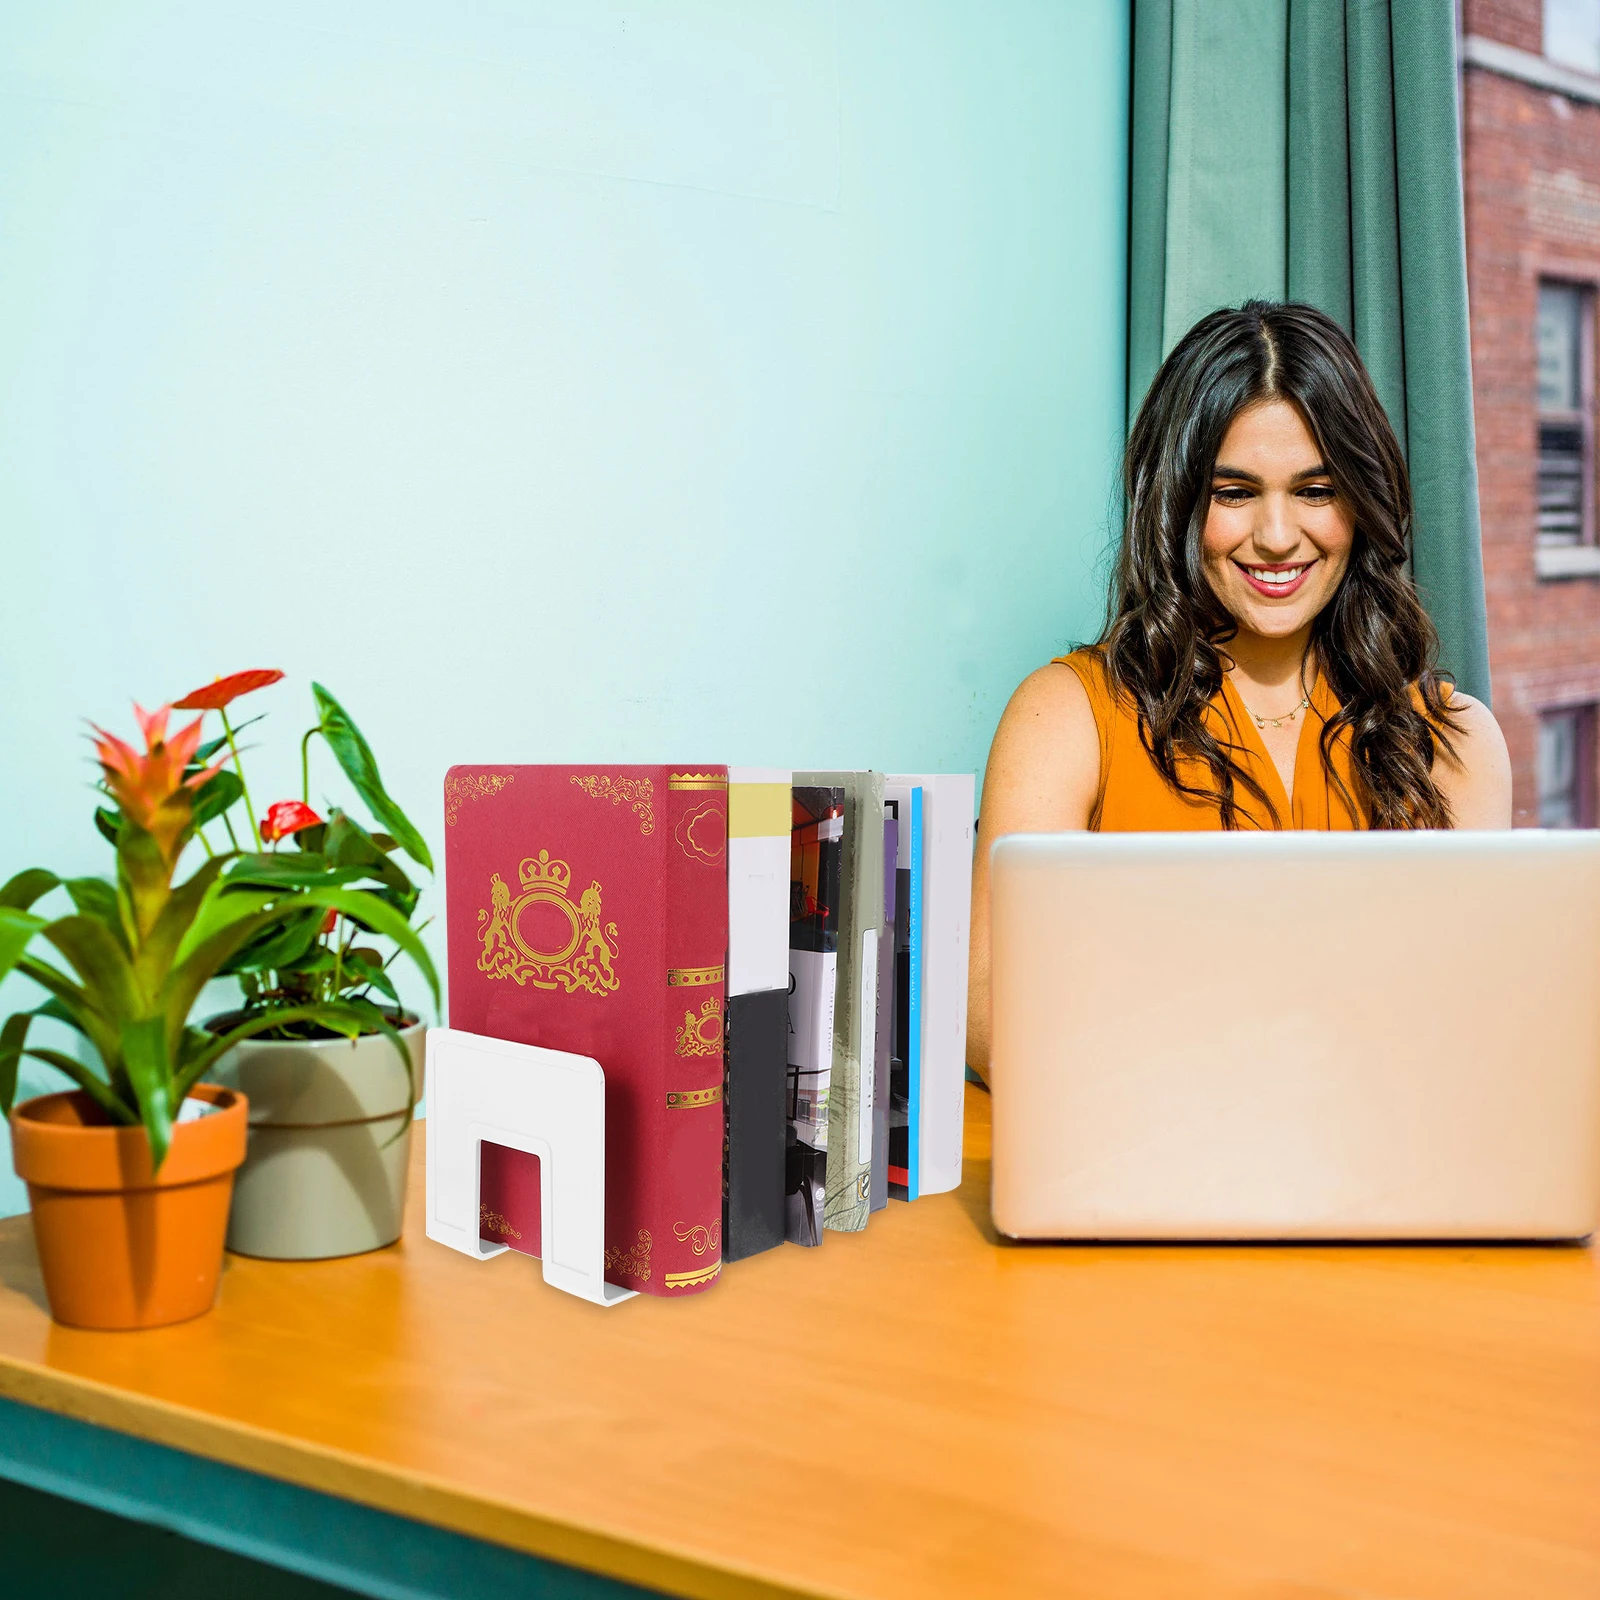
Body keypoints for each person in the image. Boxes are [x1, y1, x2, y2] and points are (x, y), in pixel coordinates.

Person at [967, 300, 1511, 1079]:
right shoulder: (1066, 716)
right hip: (1144, 1151)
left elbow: (1481, 1020)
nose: (1279, 536)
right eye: (1235, 492)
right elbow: (987, 1013)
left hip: (1386, 1169)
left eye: (1317, 490)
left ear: (1362, 502)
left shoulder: (1455, 740)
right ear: (1180, 504)